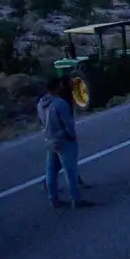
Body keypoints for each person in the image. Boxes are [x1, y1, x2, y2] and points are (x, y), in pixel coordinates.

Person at [37, 77, 91, 209]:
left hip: (49, 140)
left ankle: (53, 199)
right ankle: (75, 199)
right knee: (70, 170)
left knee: (51, 171)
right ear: (58, 87)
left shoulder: (40, 104)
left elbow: (41, 122)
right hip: (63, 140)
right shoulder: (60, 104)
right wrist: (72, 137)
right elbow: (68, 124)